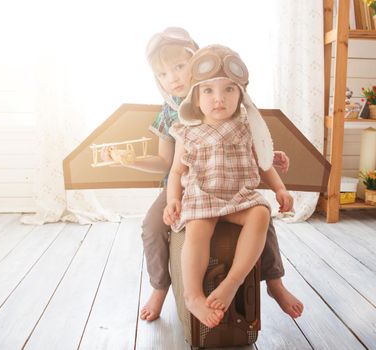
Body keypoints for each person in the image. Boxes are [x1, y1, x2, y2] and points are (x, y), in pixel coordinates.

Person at [103, 28, 303, 323]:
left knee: (264, 217)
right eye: (162, 74)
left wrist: (270, 156)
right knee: (151, 226)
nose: (172, 78)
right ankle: (161, 287)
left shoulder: (222, 90)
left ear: (198, 60)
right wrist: (131, 162)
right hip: (186, 186)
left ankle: (274, 282)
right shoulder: (170, 113)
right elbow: (167, 164)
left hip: (229, 181)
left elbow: (245, 142)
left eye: (179, 67)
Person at [163, 44, 296, 328]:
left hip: (239, 197)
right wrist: (172, 199)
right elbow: (176, 171)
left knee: (260, 213)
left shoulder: (247, 125)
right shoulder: (188, 130)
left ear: (241, 95)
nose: (219, 98)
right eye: (208, 90)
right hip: (203, 195)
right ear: (196, 98)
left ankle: (233, 282)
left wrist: (280, 188)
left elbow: (264, 161)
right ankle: (193, 295)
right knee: (198, 229)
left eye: (229, 90)